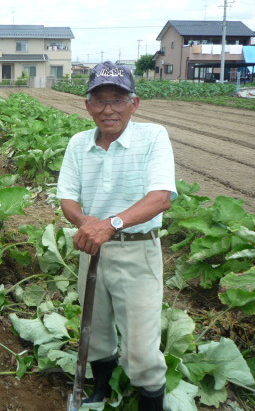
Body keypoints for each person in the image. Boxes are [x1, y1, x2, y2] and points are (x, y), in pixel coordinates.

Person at [57, 61, 177, 410]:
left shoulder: (153, 136)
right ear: (88, 106)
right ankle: (101, 389)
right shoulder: (79, 144)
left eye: (117, 100)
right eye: (100, 101)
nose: (108, 109)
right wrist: (86, 222)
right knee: (95, 331)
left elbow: (161, 198)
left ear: (134, 104)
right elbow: (67, 197)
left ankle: (150, 399)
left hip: (137, 251)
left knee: (140, 347)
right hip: (92, 248)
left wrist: (110, 224)